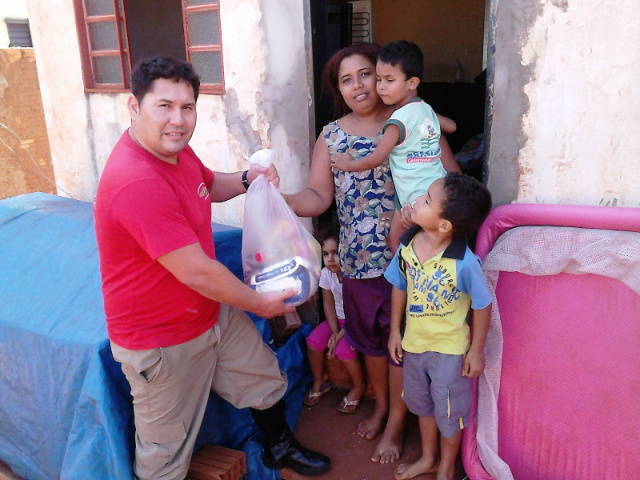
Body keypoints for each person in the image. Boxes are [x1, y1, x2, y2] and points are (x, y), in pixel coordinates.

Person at [93, 56, 330, 479]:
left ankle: (278, 446)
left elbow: (208, 184)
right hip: (162, 341)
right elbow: (199, 271)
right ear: (134, 106)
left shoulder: (176, 152)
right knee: (165, 452)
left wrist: (248, 178)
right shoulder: (136, 180)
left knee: (262, 378)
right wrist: (260, 304)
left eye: (188, 107)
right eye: (164, 106)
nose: (178, 120)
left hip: (208, 310)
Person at [285, 42, 457, 465]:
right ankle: (383, 406)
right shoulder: (332, 135)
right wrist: (278, 198)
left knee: (407, 342)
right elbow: (317, 197)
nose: (359, 85)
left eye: (366, 74)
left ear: (385, 77)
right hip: (359, 259)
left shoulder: (411, 121)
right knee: (374, 343)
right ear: (338, 89)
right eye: (346, 80)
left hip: (414, 258)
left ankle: (399, 421)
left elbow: (451, 180)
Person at [385, 172, 493, 480]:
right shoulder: (407, 245)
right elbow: (399, 286)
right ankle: (429, 458)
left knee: (449, 415)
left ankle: (446, 468)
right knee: (422, 406)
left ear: (444, 225)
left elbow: (482, 304)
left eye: (427, 200)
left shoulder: (464, 262)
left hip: (449, 352)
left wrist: (476, 351)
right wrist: (396, 330)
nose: (418, 200)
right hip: (414, 346)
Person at [330, 40, 461, 253]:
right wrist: (426, 118)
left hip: (410, 198)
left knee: (396, 243)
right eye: (379, 79)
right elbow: (452, 126)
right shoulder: (426, 110)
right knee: (434, 246)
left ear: (412, 83)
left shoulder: (396, 121)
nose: (381, 87)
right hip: (436, 194)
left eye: (389, 80)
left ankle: (409, 284)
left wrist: (348, 164)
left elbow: (375, 158)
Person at [304, 227, 365, 413]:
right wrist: (333, 331)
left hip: (355, 324)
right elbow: (328, 305)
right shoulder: (326, 274)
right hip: (337, 322)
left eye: (335, 253)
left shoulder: (353, 276)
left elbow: (357, 312)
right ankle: (320, 378)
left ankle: (358, 386)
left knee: (342, 349)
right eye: (325, 254)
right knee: (313, 343)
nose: (330, 259)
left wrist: (339, 336)